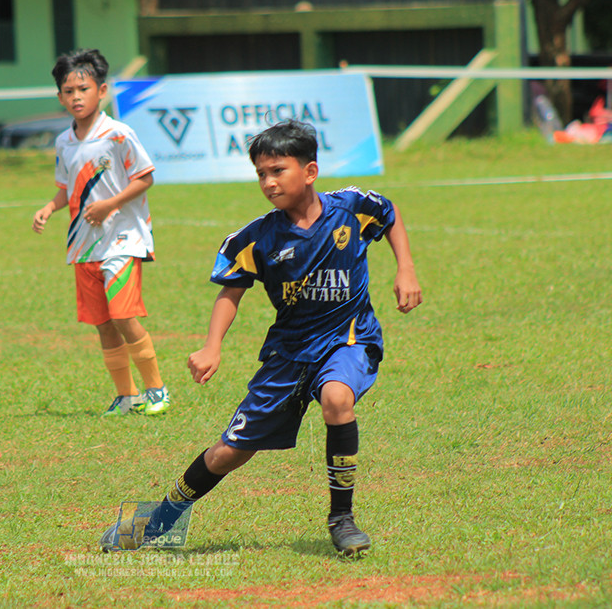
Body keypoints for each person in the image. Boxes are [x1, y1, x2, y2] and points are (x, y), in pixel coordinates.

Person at [100, 120, 422, 556]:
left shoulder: (352, 208)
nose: (268, 182)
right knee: (227, 454)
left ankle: (342, 518)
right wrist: (212, 345)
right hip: (288, 355)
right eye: (260, 174)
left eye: (277, 171)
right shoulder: (257, 238)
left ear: (309, 171)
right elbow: (230, 292)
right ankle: (157, 521)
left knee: (337, 399)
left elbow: (390, 213)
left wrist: (405, 268)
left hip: (348, 338)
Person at [32, 48, 169, 417]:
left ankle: (157, 390)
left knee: (124, 316)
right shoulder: (64, 142)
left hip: (124, 237)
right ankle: (127, 396)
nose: (76, 96)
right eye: (68, 91)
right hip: (84, 245)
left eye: (83, 88)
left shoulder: (119, 134)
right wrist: (49, 207)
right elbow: (66, 189)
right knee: (104, 323)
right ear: (60, 97)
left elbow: (145, 177)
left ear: (102, 90)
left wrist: (111, 204)